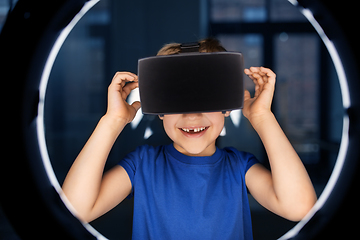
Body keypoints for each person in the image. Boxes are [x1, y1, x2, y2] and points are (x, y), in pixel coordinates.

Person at [62, 38, 317, 239]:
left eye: (206, 97)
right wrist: (112, 121)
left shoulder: (239, 167)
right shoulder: (143, 165)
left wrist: (262, 117)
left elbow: (300, 207)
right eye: (177, 98)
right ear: (159, 109)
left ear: (227, 106)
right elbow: (74, 210)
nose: (192, 114)